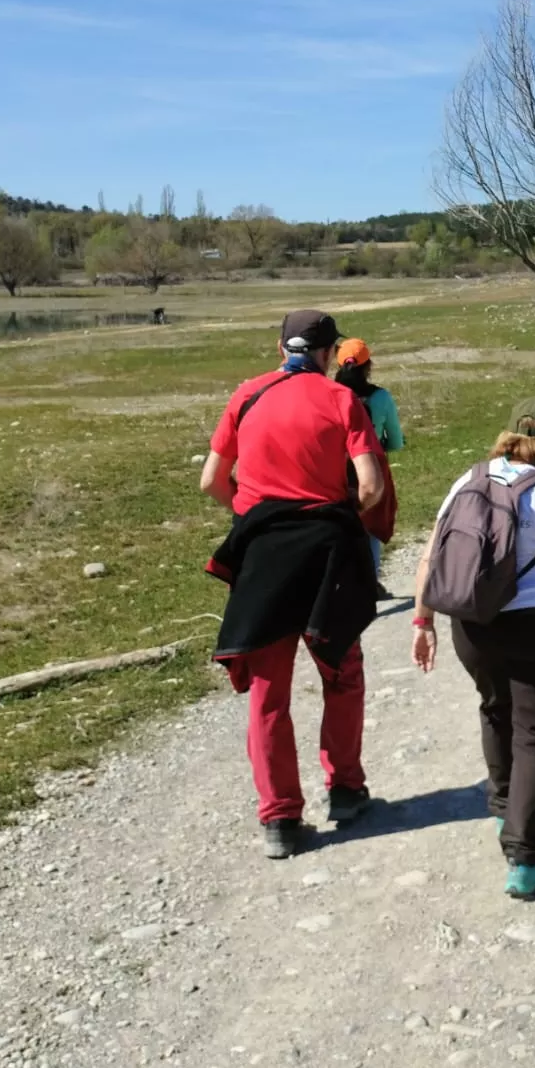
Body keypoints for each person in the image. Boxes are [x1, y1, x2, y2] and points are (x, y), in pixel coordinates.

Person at [200, 310, 388, 858]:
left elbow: (211, 479)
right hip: (326, 550)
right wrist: (341, 511)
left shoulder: (248, 396)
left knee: (268, 691)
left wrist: (254, 514)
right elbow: (371, 486)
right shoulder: (339, 399)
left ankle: (280, 818)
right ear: (329, 353)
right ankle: (347, 789)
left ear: (279, 346)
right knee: (342, 673)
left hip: (263, 555)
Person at [411, 401, 535, 899]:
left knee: (494, 708)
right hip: (533, 625)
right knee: (534, 732)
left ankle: (503, 810)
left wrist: (422, 621)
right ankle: (526, 858)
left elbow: (432, 556)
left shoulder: (466, 479)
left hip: (469, 622)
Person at [335, 337, 404, 599]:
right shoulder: (380, 397)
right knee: (371, 523)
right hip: (371, 464)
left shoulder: (328, 392)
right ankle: (370, 582)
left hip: (336, 466)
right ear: (368, 365)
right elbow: (395, 441)